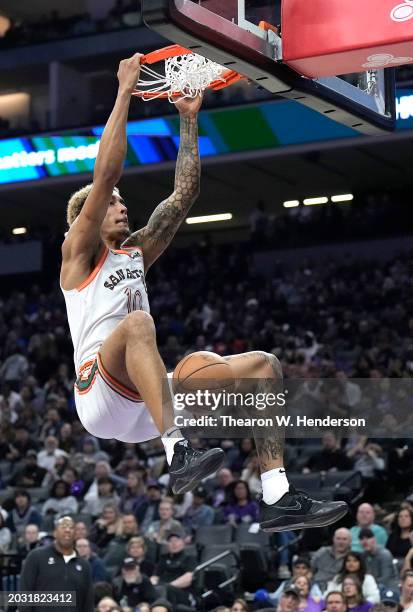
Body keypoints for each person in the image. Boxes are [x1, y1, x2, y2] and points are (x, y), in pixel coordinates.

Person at [60, 53, 347, 533]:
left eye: (122, 203)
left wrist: (188, 119)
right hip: (99, 396)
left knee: (264, 367)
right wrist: (124, 90)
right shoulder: (77, 254)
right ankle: (178, 451)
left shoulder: (135, 253)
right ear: (85, 218)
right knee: (138, 323)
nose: (121, 206)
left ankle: (277, 494)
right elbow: (105, 176)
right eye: (112, 204)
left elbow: (182, 197)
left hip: (146, 404)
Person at [19, 516, 94, 612]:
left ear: (75, 534)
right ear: (55, 533)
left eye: (71, 528)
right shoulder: (36, 557)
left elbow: (88, 602)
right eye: (63, 527)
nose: (67, 530)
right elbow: (25, 592)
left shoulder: (84, 565)